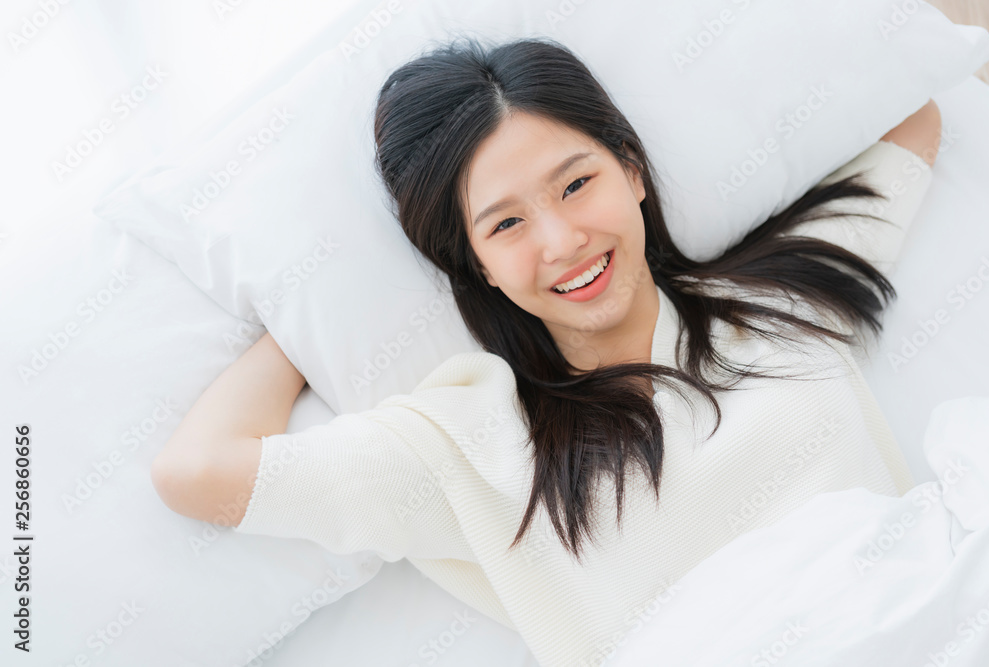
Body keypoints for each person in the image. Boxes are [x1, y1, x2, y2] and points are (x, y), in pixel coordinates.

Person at [151, 36, 943, 667]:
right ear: (475, 268)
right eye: (505, 225)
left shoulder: (778, 300)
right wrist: (310, 321)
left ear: (632, 169)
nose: (564, 242)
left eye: (576, 183)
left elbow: (914, 101)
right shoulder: (468, 448)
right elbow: (197, 471)